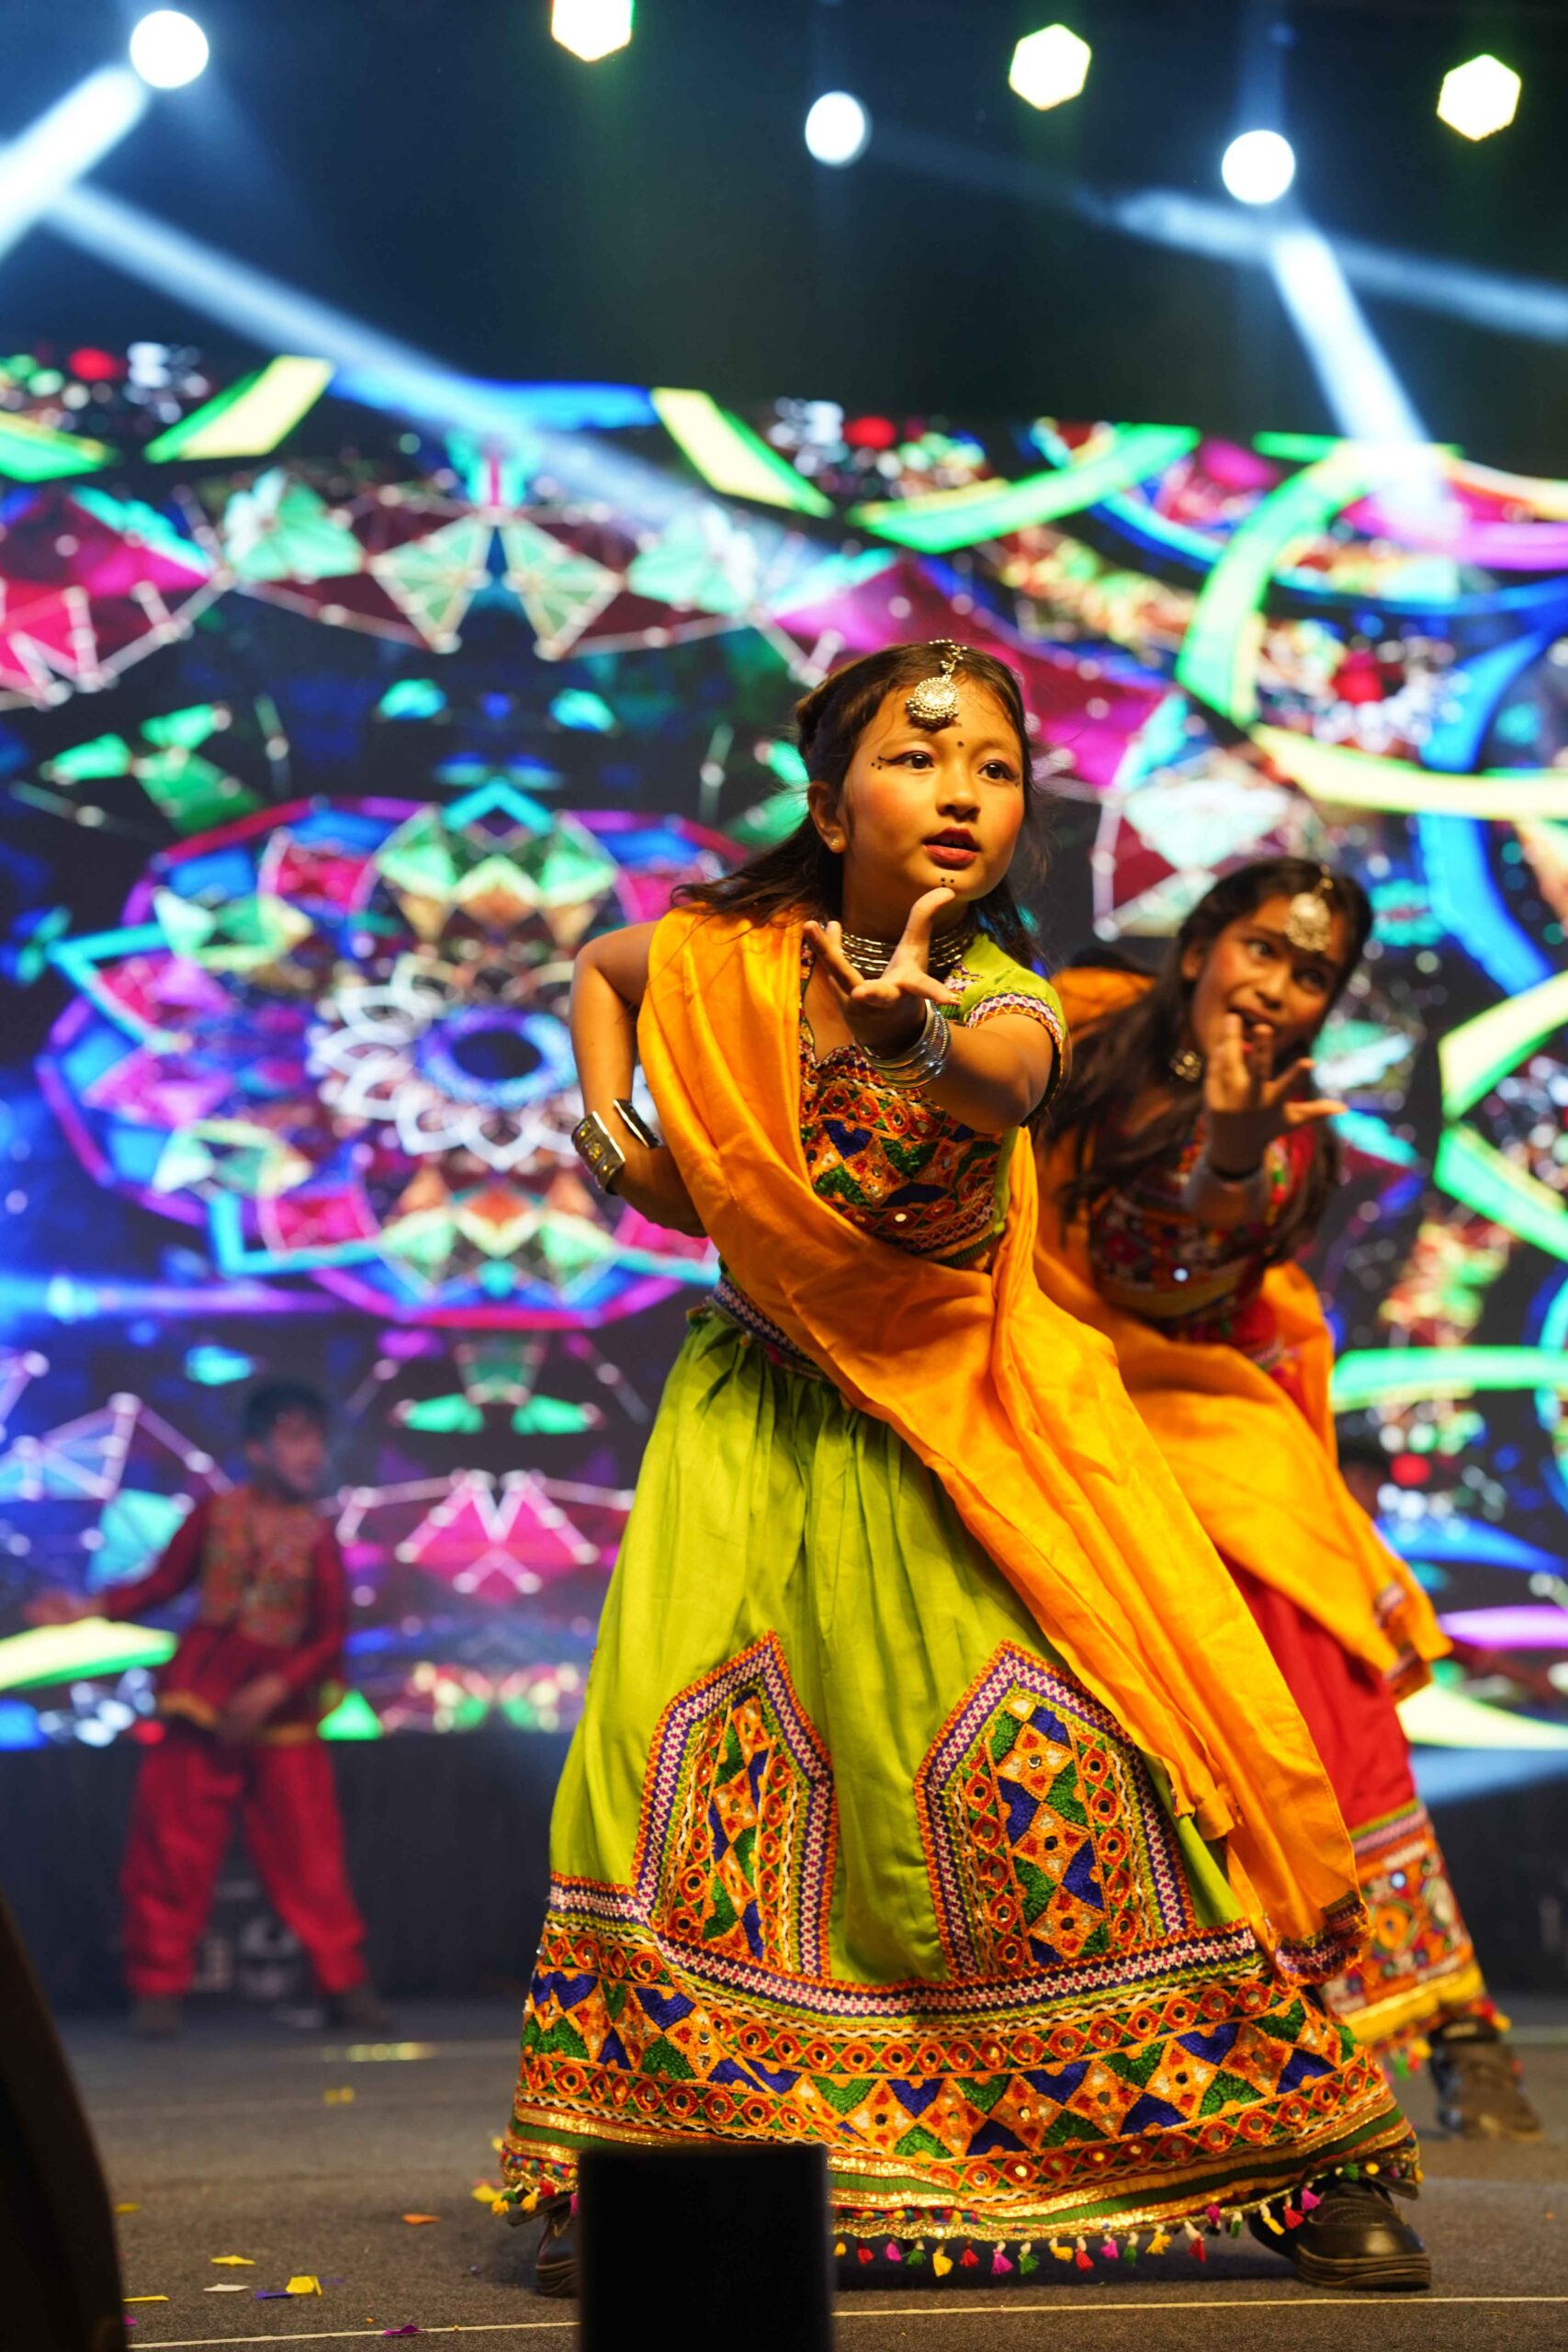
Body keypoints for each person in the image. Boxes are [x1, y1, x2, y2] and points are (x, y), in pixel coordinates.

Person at [498, 645, 1424, 2299]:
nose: (961, 794)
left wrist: (907, 1037)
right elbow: (603, 966)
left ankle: (1285, 2153)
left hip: (958, 1431)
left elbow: (1000, 1083)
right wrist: (612, 1135)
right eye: (921, 760)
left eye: (993, 770)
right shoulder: (721, 952)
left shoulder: (1004, 993)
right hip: (755, 1420)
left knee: (1054, 1780)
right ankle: (653, 2166)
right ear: (827, 801)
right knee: (666, 1780)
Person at [1033, 856, 1539, 2143]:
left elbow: (1151, 1278)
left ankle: (1448, 2016)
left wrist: (1227, 1154)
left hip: (1191, 1404)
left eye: (1311, 975)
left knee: (1307, 1638)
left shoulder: (1290, 1130)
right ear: (1202, 942)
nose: (1275, 987)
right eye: (1262, 949)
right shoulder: (1074, 1023)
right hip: (1027, 1387)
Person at [26, 1379, 389, 2040]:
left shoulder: (317, 1536)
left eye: (316, 1439)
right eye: (294, 1438)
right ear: (257, 1448)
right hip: (203, 1698)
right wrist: (86, 1609)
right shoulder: (215, 1514)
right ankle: (157, 1989)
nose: (311, 1453)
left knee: (310, 1854)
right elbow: (162, 1583)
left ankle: (344, 1984)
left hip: (281, 1709)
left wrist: (273, 1689)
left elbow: (330, 1634)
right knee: (171, 1845)